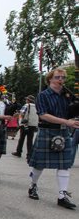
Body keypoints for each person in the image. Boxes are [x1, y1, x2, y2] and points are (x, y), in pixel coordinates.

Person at [27, 68, 79, 209]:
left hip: (63, 132)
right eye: (57, 77)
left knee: (64, 165)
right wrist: (66, 122)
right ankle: (33, 185)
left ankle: (62, 196)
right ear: (50, 79)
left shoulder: (67, 96)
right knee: (39, 164)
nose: (60, 80)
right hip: (47, 131)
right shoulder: (43, 95)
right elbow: (43, 115)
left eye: (63, 77)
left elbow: (72, 111)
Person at [12, 95, 38, 161]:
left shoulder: (26, 105)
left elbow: (22, 113)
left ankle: (19, 152)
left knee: (21, 138)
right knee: (30, 140)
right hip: (33, 125)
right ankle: (29, 154)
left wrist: (18, 119)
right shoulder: (36, 106)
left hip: (25, 124)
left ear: (28, 100)